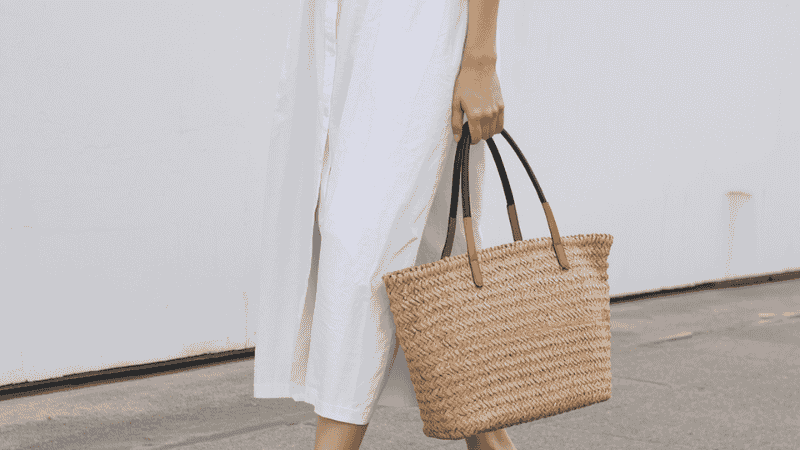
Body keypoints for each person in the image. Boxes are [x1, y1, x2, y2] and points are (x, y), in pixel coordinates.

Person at [254, 0, 513, 449]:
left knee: (360, 247)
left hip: (415, 29)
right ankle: (491, 441)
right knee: (438, 254)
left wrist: (480, 58)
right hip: (337, 27)